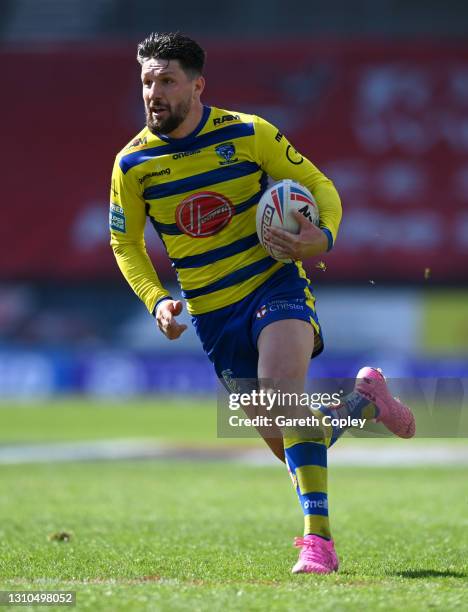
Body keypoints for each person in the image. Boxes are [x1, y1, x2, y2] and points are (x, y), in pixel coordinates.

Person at [110, 32, 415, 575]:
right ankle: (365, 402)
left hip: (274, 286)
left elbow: (318, 185)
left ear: (198, 85)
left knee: (283, 395)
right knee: (286, 440)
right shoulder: (133, 165)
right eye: (147, 82)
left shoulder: (250, 133)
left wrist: (322, 238)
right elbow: (125, 243)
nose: (153, 92)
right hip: (211, 313)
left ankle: (319, 542)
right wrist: (156, 298)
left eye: (166, 81)